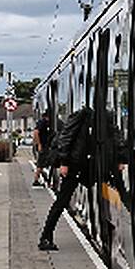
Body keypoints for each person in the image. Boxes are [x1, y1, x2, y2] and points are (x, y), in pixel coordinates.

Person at [38, 107, 94, 251]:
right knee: (61, 202)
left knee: (62, 201)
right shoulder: (81, 116)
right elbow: (66, 139)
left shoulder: (93, 116)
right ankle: (45, 237)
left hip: (81, 164)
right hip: (74, 165)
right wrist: (64, 163)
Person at [32, 110, 53, 187]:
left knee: (43, 163)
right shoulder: (42, 122)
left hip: (44, 146)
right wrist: (39, 144)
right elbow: (36, 132)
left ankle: (43, 179)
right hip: (43, 146)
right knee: (41, 164)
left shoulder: (43, 122)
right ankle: (36, 180)